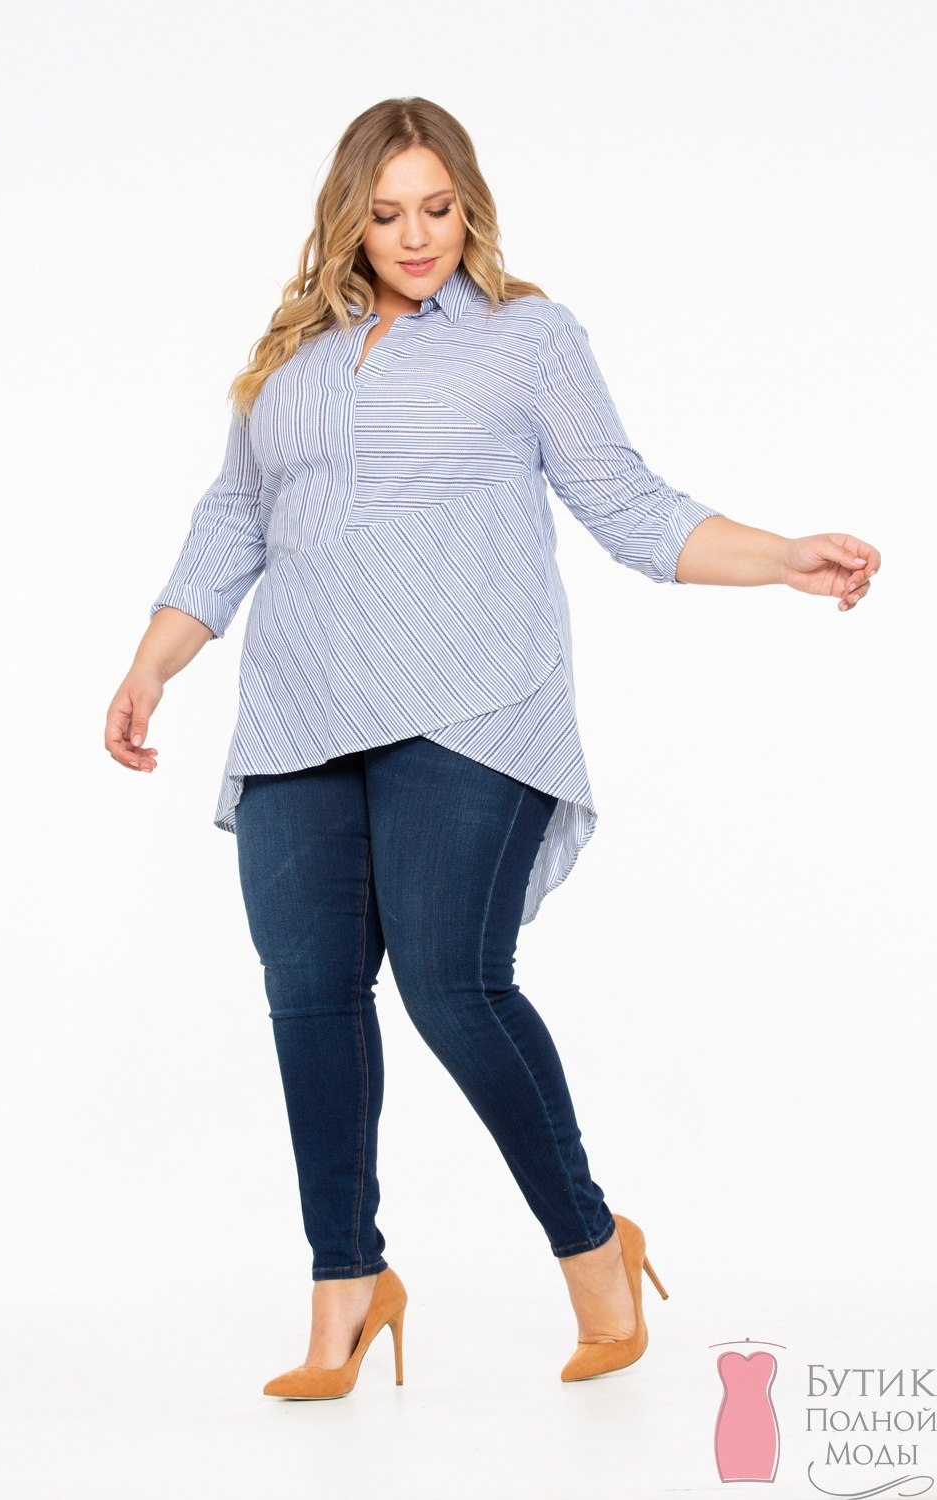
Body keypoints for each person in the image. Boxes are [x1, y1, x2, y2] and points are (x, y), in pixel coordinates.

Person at [104, 97, 880, 1400]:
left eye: (438, 208)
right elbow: (230, 527)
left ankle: (594, 1247)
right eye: (386, 213)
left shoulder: (528, 339)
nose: (416, 236)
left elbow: (627, 504)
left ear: (470, 204)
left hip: (471, 703)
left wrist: (781, 555)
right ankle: (347, 1284)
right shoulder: (290, 362)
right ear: (348, 220)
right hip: (299, 712)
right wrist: (150, 664)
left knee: (453, 984)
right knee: (310, 998)